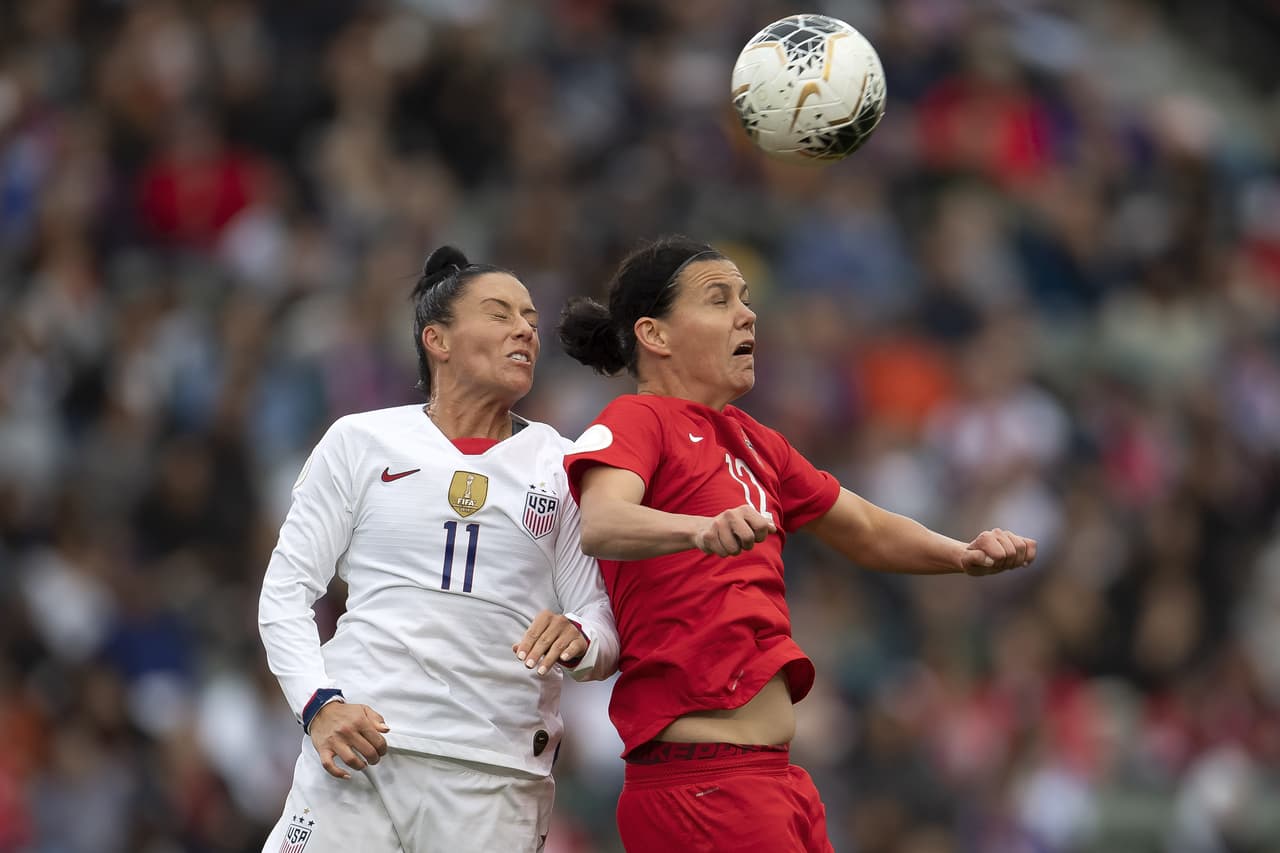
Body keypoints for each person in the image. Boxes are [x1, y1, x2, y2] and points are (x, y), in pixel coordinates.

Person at [557, 235, 1037, 853]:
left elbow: (863, 527)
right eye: (718, 299)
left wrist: (960, 554)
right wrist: (697, 529)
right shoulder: (637, 419)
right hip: (703, 787)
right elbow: (602, 522)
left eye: (747, 299)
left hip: (773, 780)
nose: (747, 314)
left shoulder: (756, 442)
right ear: (655, 334)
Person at [258, 246, 619, 853]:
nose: (525, 329)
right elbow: (285, 592)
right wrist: (317, 705)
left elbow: (602, 621)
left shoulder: (563, 465)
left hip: (496, 776)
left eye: (530, 318)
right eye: (500, 313)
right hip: (362, 754)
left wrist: (581, 638)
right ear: (438, 340)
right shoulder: (360, 441)